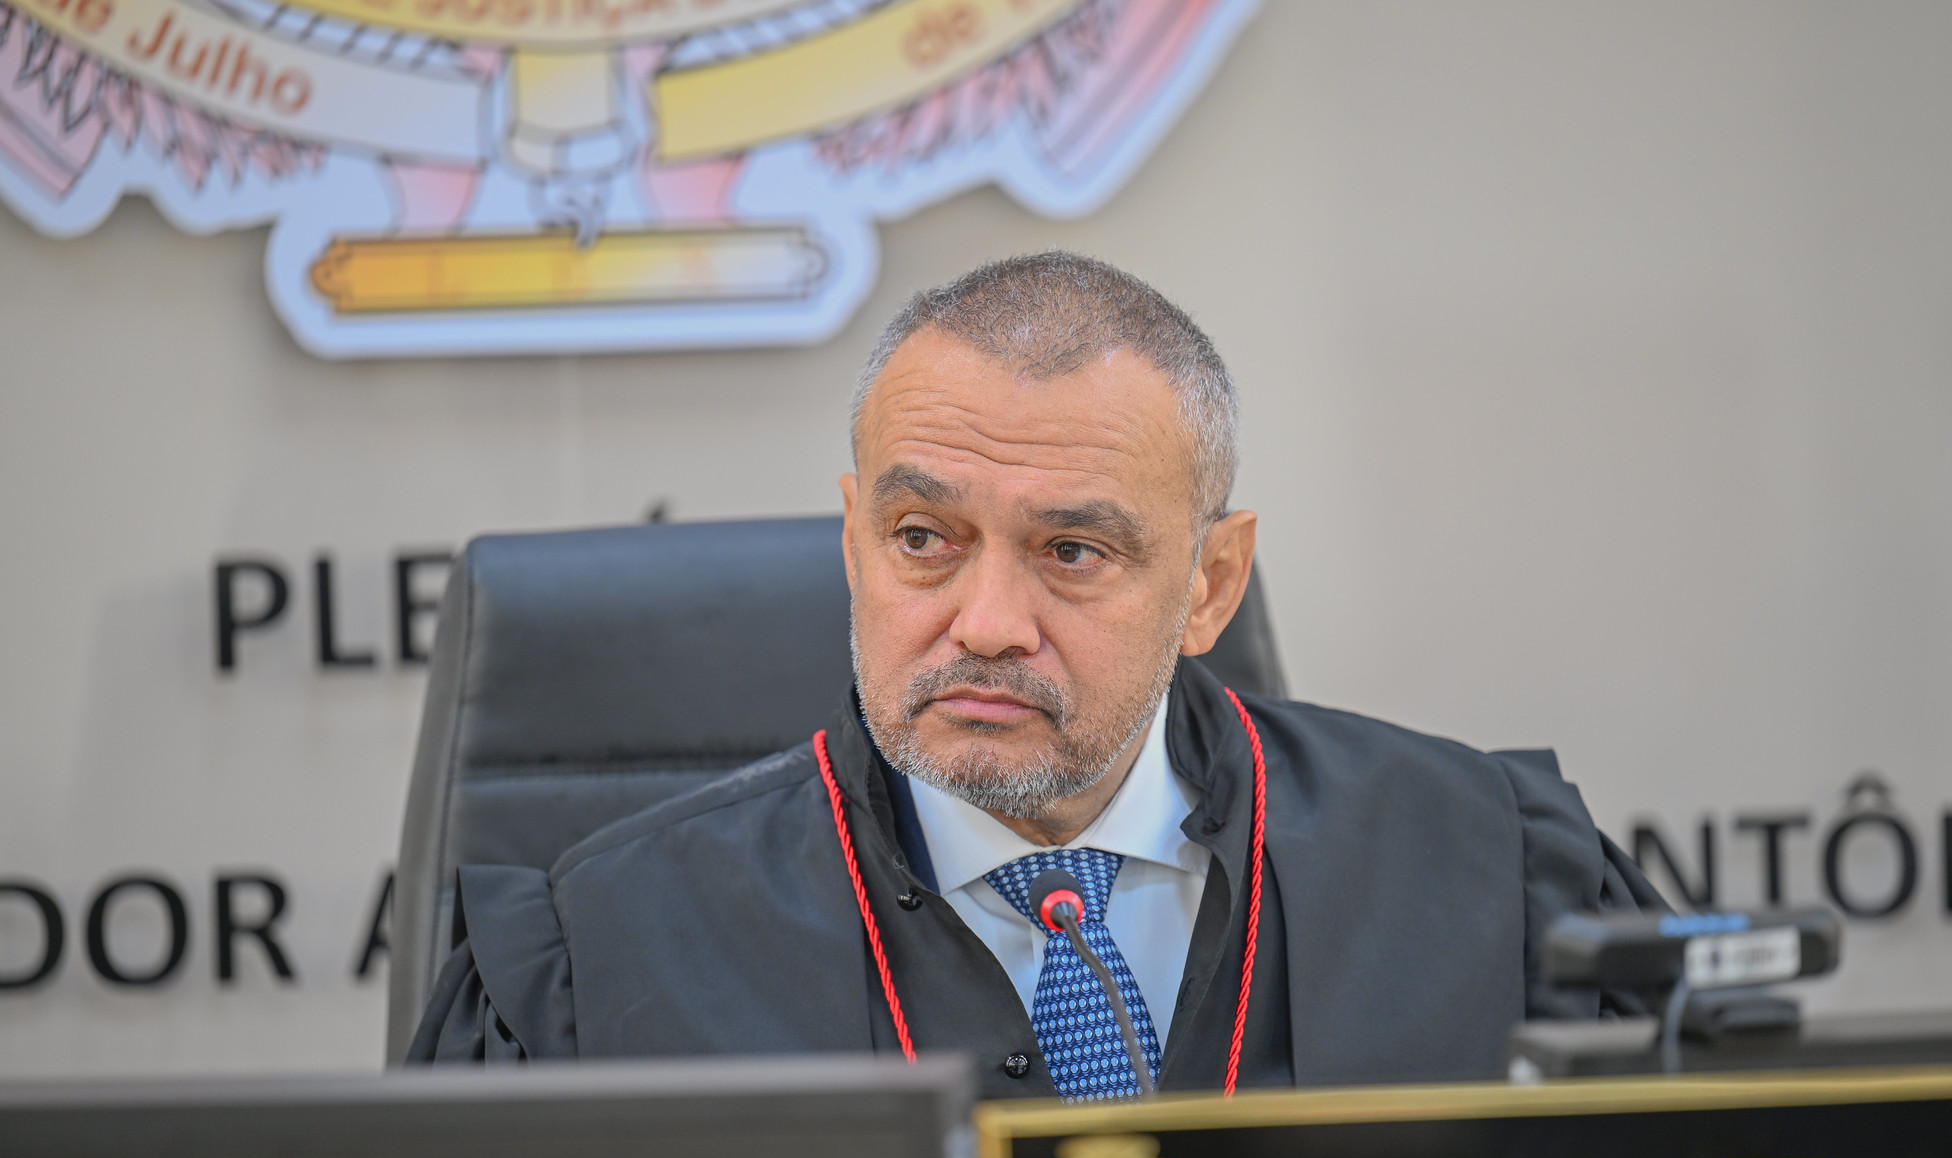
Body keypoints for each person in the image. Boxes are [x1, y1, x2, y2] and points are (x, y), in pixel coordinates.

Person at [409, 251, 1662, 1098]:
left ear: (1210, 584)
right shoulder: (598, 960)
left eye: (1071, 552)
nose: (987, 623)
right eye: (922, 539)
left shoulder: (1496, 879)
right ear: (853, 542)